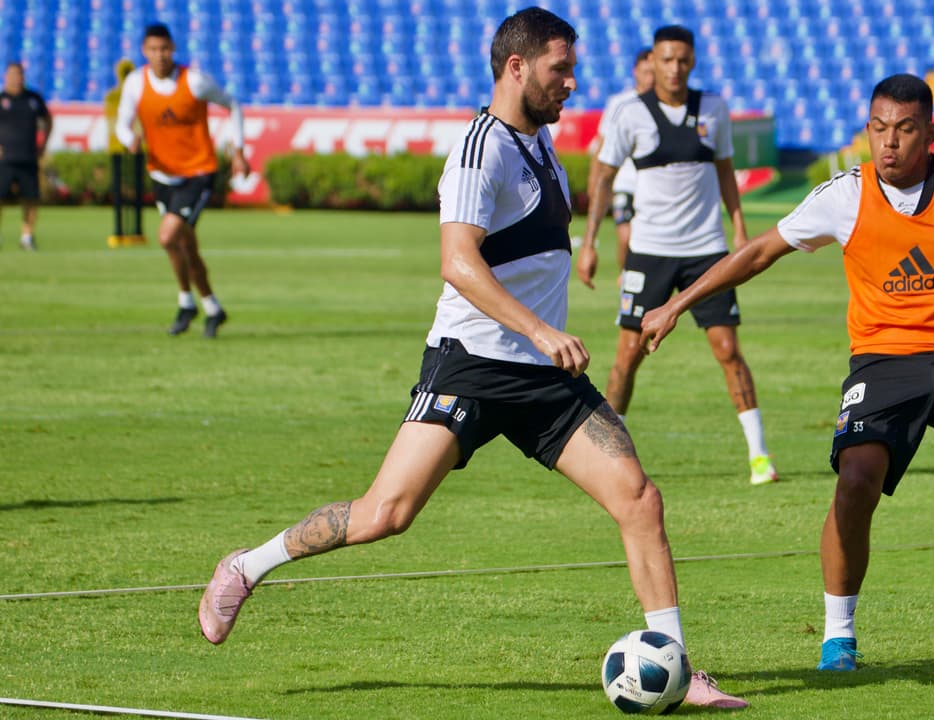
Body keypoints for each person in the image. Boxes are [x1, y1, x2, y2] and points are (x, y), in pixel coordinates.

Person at [196, 8, 746, 709]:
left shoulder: (538, 143)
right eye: (558, 69)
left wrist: (545, 344)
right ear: (516, 67)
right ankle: (247, 566)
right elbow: (458, 264)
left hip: (545, 381)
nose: (571, 84)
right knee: (384, 514)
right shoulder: (480, 149)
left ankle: (677, 668)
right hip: (472, 364)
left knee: (639, 500)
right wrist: (543, 332)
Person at [639, 74, 934, 671]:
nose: (889, 143)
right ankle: (838, 636)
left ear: (930, 133)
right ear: (867, 129)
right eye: (879, 128)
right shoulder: (843, 195)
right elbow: (758, 252)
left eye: (905, 130)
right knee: (856, 481)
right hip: (884, 361)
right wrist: (678, 303)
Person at [577, 25, 778, 486]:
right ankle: (612, 460)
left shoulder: (714, 109)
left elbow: (726, 170)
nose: (674, 68)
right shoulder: (631, 114)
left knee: (728, 350)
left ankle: (759, 456)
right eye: (666, 60)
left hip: (707, 252)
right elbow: (604, 176)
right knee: (628, 354)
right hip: (648, 255)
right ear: (655, 61)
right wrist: (590, 243)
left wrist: (741, 227)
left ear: (692, 61)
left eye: (682, 60)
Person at [114, 23, 248, 338]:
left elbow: (233, 105)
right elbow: (122, 122)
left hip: (198, 173)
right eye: (153, 50)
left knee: (166, 236)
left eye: (165, 49)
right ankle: (208, 306)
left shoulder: (195, 81)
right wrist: (128, 138)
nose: (160, 56)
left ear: (173, 50)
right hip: (162, 175)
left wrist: (238, 151)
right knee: (185, 245)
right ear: (144, 52)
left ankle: (186, 300)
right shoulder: (135, 83)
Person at [585, 47, 653, 272]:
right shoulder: (620, 104)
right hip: (624, 182)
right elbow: (602, 145)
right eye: (645, 72)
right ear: (635, 72)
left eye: (653, 72)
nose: (650, 78)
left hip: (651, 186)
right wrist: (594, 182)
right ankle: (626, 276)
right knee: (626, 238)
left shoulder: (664, 104)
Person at [0, 62, 52, 252]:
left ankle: (27, 237)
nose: (16, 78)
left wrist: (43, 144)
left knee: (30, 199)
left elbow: (47, 120)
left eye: (19, 74)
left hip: (28, 157)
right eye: (12, 74)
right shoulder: (1, 99)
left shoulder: (33, 99)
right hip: (4, 160)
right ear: (6, 76)